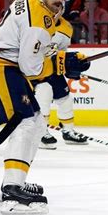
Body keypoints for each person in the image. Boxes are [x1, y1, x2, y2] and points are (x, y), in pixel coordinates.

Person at [0, 0, 90, 215]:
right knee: (27, 122)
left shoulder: (35, 1)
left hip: (4, 66)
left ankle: (15, 181)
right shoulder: (38, 20)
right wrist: (62, 63)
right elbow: (32, 68)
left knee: (35, 121)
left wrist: (62, 59)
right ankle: (12, 187)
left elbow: (32, 56)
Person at [34, 15, 89, 150]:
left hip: (52, 69)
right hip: (36, 69)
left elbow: (61, 52)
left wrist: (67, 64)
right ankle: (40, 133)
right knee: (44, 95)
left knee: (65, 99)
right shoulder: (35, 22)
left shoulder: (66, 27)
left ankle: (68, 131)